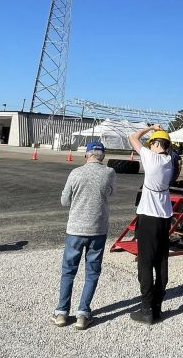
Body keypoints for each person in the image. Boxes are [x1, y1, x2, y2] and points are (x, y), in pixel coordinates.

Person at [52, 141, 115, 330]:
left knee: (68, 271)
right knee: (92, 272)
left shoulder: (75, 173)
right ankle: (83, 313)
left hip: (75, 229)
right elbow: (110, 193)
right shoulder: (109, 172)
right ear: (103, 156)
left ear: (87, 154)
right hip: (98, 229)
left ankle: (62, 312)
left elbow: (64, 201)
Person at [129, 124, 174, 325]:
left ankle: (146, 309)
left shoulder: (150, 157)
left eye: (152, 143)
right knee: (161, 262)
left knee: (145, 263)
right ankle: (157, 306)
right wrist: (161, 133)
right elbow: (168, 148)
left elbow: (133, 137)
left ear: (155, 144)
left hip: (148, 217)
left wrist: (150, 128)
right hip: (164, 218)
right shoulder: (170, 160)